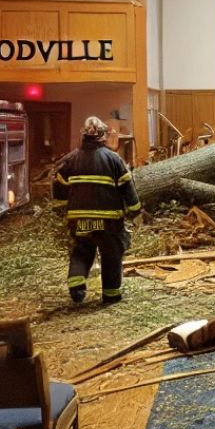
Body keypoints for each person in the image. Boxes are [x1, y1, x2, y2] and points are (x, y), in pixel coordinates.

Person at [52, 116, 142, 304]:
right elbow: (127, 187)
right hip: (108, 222)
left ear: (84, 135)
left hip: (80, 219)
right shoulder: (114, 159)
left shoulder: (70, 160)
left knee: (82, 250)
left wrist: (63, 210)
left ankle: (76, 285)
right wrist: (136, 211)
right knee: (111, 254)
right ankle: (111, 295)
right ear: (102, 136)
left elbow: (59, 187)